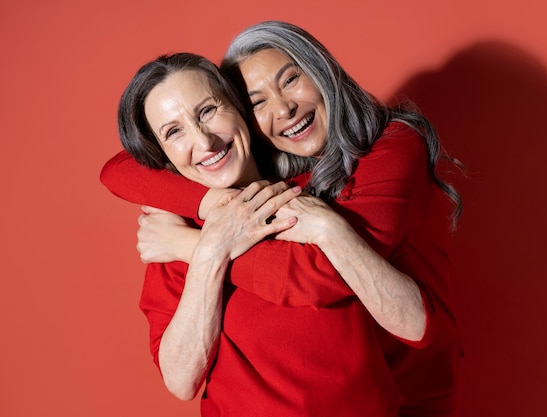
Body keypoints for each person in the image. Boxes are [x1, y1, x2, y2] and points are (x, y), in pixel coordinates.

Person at [101, 21, 463, 416]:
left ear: (239, 114)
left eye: (208, 111)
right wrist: (208, 248)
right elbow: (181, 380)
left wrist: (202, 248)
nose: (203, 141)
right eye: (173, 132)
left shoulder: (319, 195)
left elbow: (323, 279)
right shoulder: (173, 227)